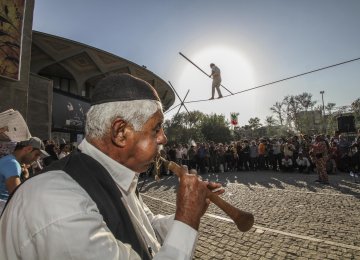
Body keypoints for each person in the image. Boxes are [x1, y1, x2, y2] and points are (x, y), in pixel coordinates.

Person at [0, 73, 223, 260]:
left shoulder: (116, 176)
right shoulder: (59, 203)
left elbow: (147, 231)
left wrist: (189, 211)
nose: (164, 138)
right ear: (120, 132)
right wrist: (187, 219)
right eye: (156, 128)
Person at [0, 137, 48, 213]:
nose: (36, 159)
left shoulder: (9, 160)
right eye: (36, 154)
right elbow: (17, 196)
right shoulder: (12, 164)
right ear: (28, 149)